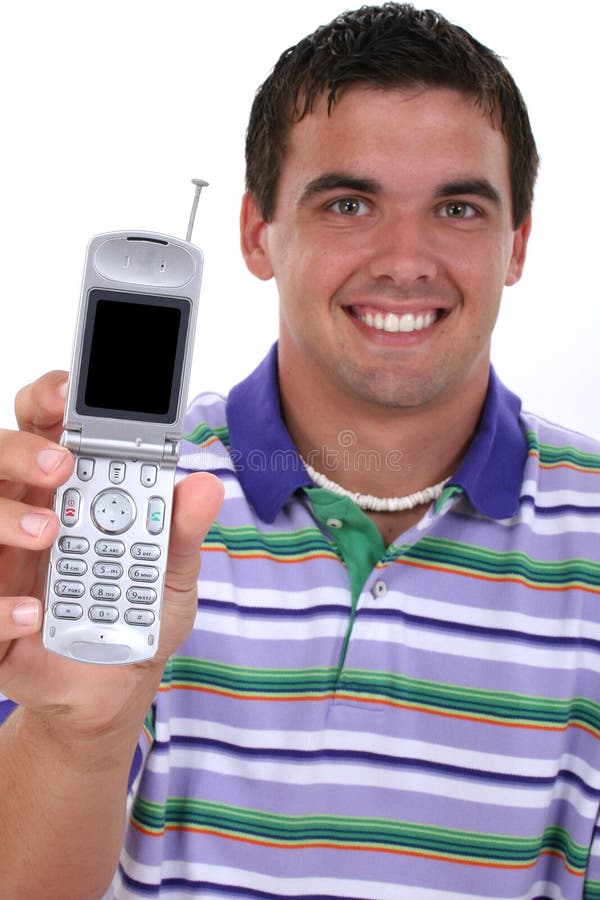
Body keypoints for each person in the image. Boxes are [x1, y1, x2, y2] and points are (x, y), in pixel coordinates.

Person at [2, 3, 600, 897]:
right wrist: (76, 737)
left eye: (459, 207)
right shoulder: (104, 521)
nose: (406, 260)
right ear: (256, 233)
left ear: (516, 243)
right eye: (349, 203)